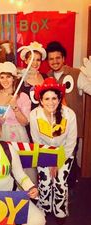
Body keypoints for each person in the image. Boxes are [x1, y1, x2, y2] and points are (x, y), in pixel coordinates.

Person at [30, 77, 77, 225]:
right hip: (44, 153)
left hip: (65, 153)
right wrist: (49, 160)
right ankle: (44, 208)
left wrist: (58, 161)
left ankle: (60, 210)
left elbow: (71, 142)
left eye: (54, 98)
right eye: (47, 99)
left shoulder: (69, 115)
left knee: (60, 182)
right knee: (45, 182)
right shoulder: (34, 115)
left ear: (59, 98)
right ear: (41, 101)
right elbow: (36, 140)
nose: (51, 102)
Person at [46, 41, 89, 191]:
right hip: (52, 128)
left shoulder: (76, 74)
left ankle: (69, 189)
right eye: (51, 59)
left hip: (72, 127)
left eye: (58, 58)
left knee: (70, 156)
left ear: (64, 58)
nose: (55, 61)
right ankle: (54, 188)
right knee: (53, 158)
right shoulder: (46, 77)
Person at [0, 61, 37, 185]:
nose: (5, 80)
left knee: (20, 167)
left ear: (14, 78)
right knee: (2, 166)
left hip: (17, 136)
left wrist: (15, 107)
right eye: (2, 77)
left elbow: (25, 122)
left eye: (8, 77)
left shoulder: (23, 97)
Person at [19, 41, 47, 110]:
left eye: (38, 60)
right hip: (27, 118)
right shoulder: (20, 80)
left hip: (44, 117)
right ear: (26, 61)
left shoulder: (45, 77)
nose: (35, 63)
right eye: (31, 59)